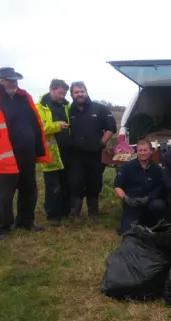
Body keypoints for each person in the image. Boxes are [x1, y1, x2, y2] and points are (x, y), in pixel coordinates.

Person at [0, 67, 51, 239]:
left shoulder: (24, 97)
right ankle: (1, 227)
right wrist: (1, 149)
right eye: (8, 79)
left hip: (27, 154)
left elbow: (34, 123)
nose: (13, 82)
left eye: (14, 79)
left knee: (29, 190)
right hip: (3, 157)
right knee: (3, 195)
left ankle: (25, 221)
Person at [66, 81, 117, 219]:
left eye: (82, 91)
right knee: (76, 182)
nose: (80, 94)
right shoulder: (68, 110)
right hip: (75, 155)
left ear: (86, 92)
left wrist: (101, 143)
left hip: (95, 154)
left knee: (94, 183)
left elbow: (111, 127)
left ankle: (93, 213)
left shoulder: (99, 109)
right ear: (72, 95)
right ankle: (74, 213)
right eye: (76, 92)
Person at [36, 79, 71, 226]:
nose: (62, 96)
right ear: (51, 90)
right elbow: (37, 128)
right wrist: (56, 126)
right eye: (60, 92)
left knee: (65, 183)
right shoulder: (39, 107)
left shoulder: (66, 106)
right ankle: (52, 214)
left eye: (64, 93)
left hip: (67, 151)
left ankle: (65, 211)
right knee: (52, 185)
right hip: (50, 152)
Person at [114, 139, 166, 234]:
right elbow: (118, 186)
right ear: (136, 151)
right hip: (132, 202)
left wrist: (148, 198)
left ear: (151, 151)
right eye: (140, 150)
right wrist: (125, 198)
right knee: (128, 232)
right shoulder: (126, 167)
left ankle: (152, 224)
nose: (143, 153)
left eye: (145, 150)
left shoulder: (157, 169)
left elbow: (159, 188)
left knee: (159, 205)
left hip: (149, 202)